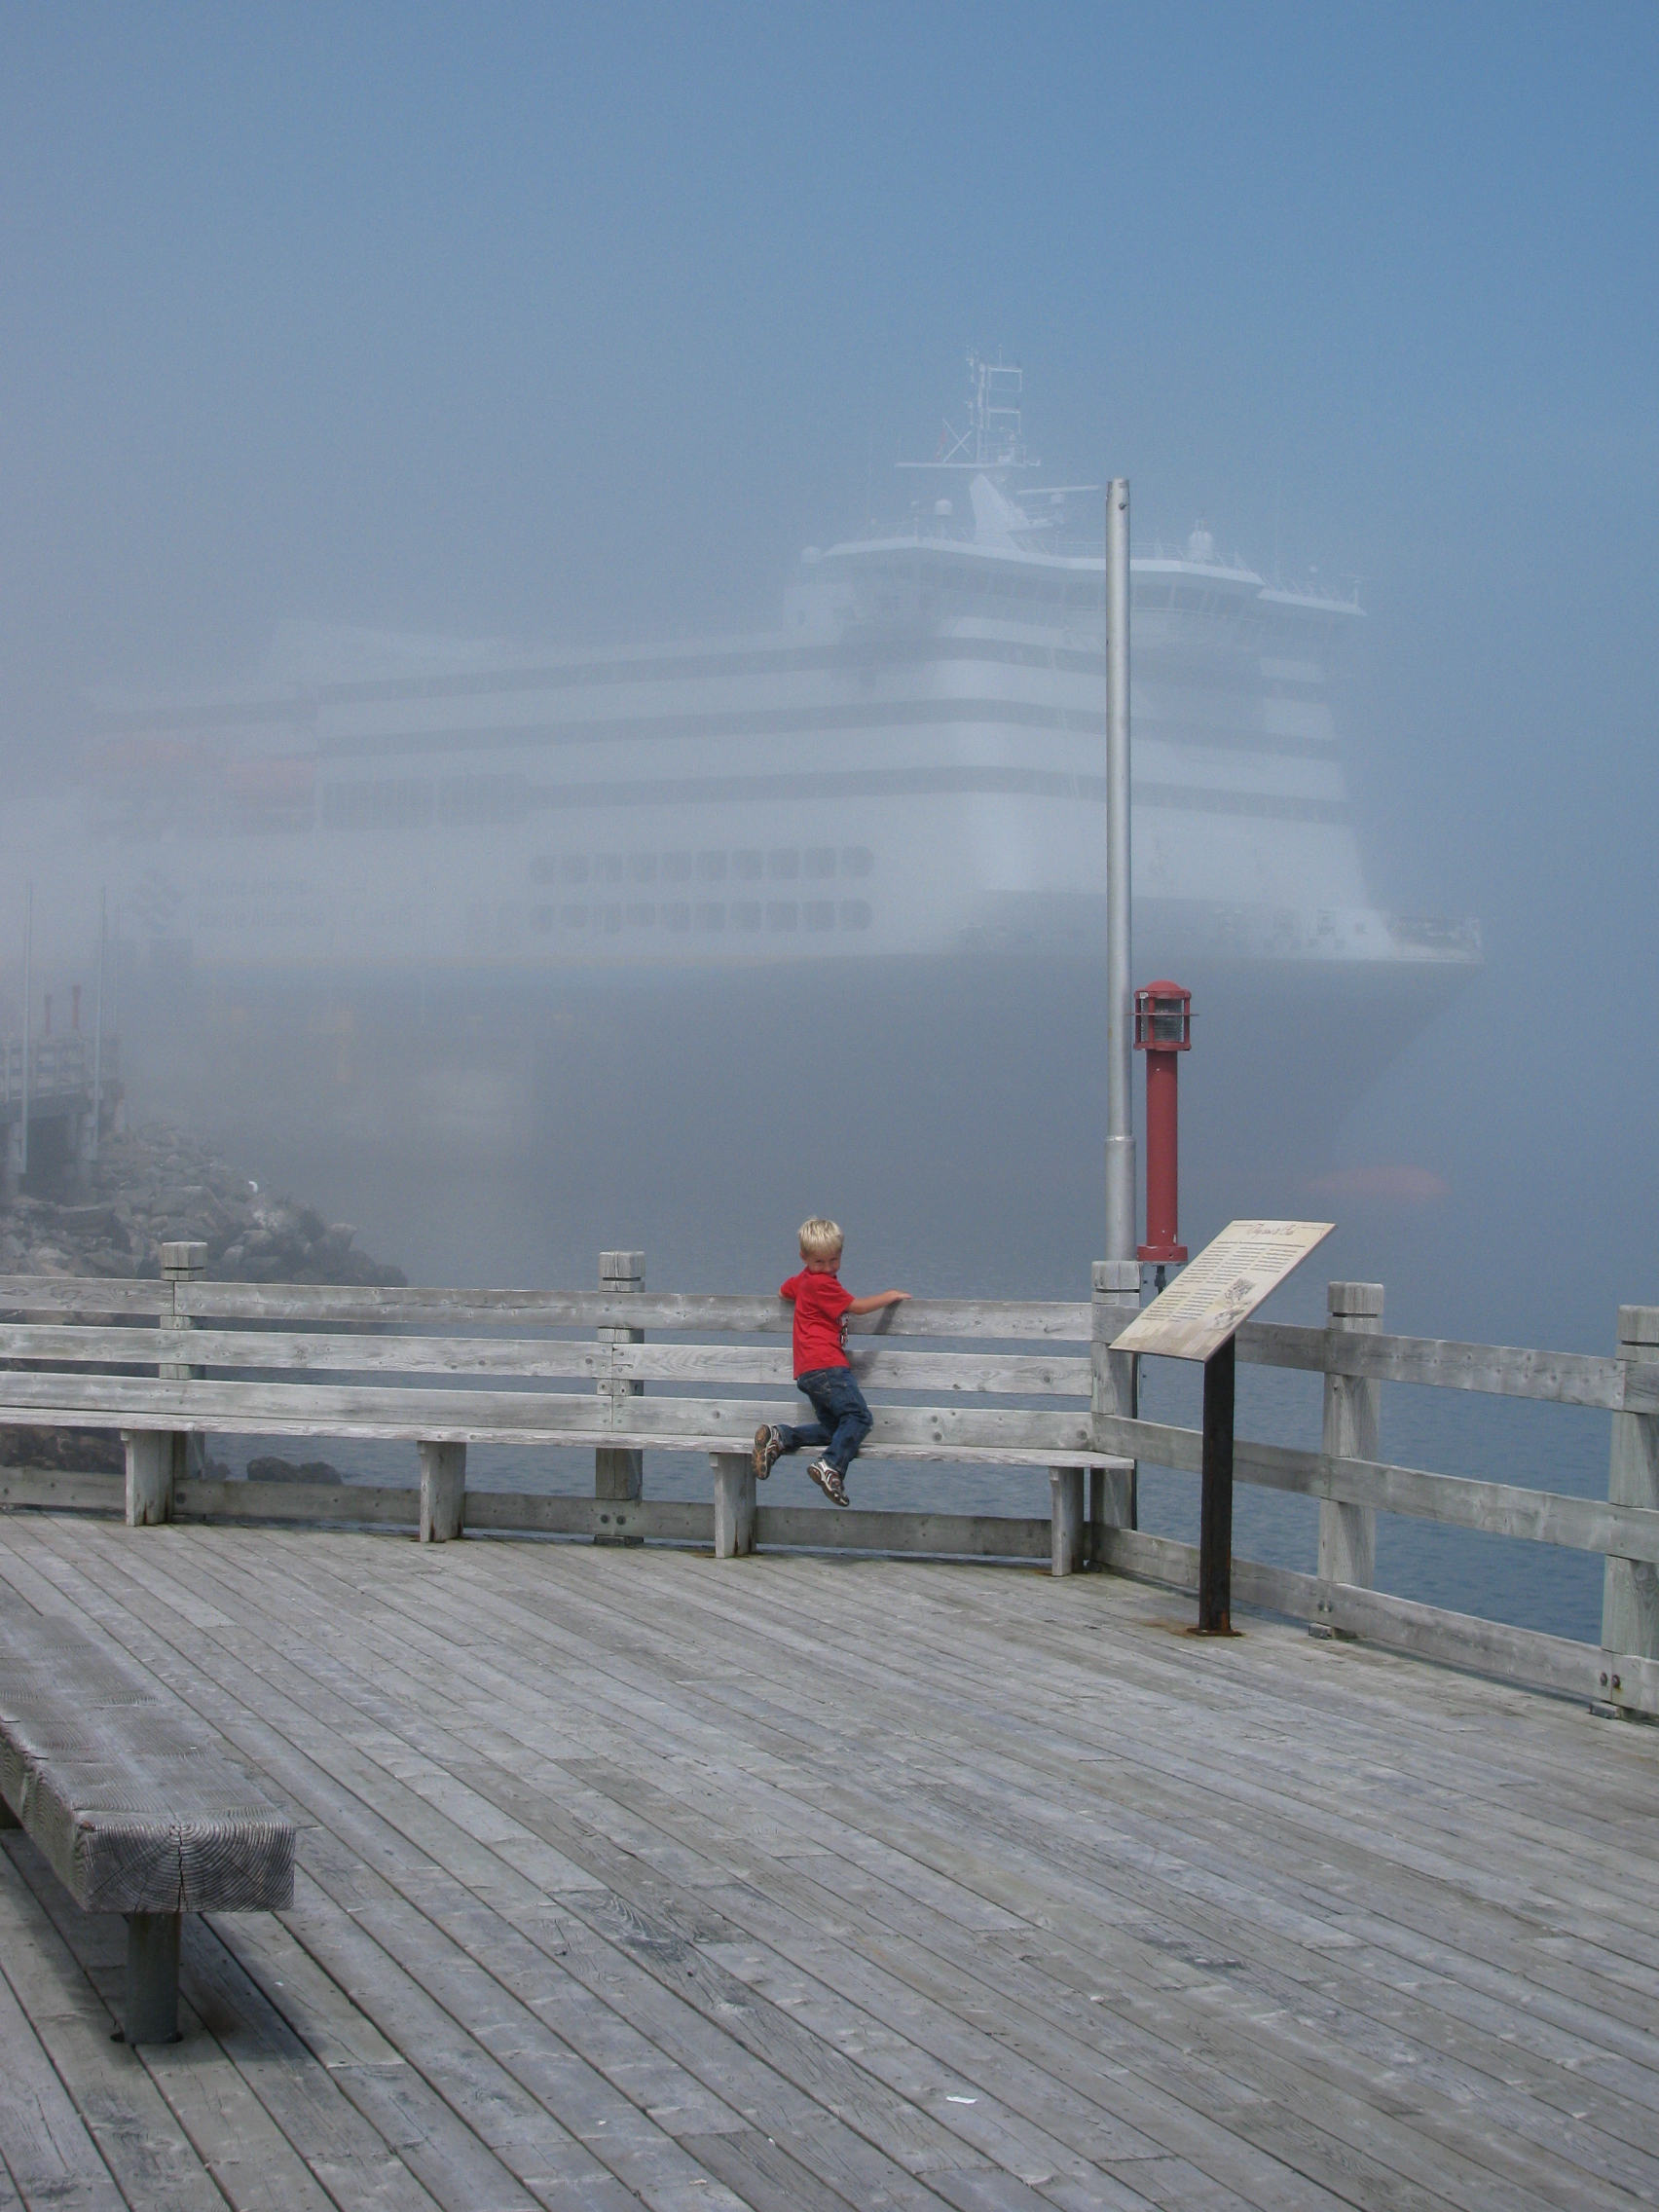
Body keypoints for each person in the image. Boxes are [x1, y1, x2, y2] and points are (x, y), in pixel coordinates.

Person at [753, 1216, 908, 1505]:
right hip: (827, 1366)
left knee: (833, 1429)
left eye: (833, 1260)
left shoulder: (803, 1281)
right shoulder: (823, 1285)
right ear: (805, 1258)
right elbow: (859, 1308)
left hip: (808, 1371)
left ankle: (781, 1437)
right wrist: (890, 1295)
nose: (827, 1268)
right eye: (820, 1262)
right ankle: (831, 1466)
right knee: (859, 1418)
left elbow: (782, 1291)